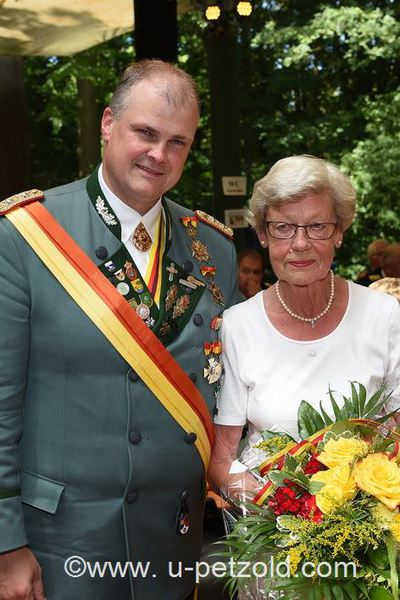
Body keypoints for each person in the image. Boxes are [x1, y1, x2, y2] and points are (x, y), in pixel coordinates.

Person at [0, 60, 241, 600]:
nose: (159, 154)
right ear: (108, 123)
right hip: (59, 543)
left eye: (177, 142)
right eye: (145, 133)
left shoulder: (213, 249)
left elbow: (238, 384)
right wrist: (5, 544)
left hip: (174, 537)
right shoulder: (25, 237)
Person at [208, 155, 400, 495]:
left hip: (369, 518)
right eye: (283, 227)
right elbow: (222, 461)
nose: (300, 243)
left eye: (317, 226)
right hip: (270, 517)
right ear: (262, 235)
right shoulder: (238, 325)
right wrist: (270, 505)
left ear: (339, 232)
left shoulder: (383, 314)